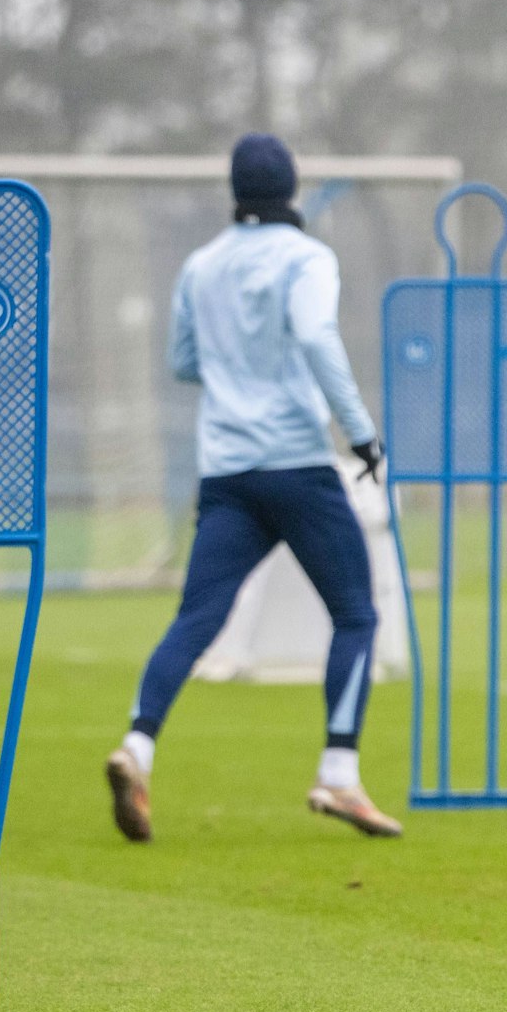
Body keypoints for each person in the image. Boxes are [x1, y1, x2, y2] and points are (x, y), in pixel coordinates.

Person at [103, 132, 401, 843]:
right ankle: (338, 770)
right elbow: (315, 335)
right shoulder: (306, 256)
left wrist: (238, 375)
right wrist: (359, 431)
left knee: (195, 618)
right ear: (291, 189)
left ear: (235, 193)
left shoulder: (201, 264)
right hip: (296, 461)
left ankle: (137, 747)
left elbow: (182, 360)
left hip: (227, 470)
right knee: (356, 614)